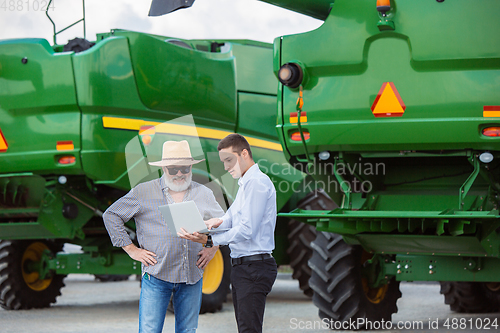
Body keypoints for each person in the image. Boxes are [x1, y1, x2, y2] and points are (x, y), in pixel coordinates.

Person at [103, 140, 225, 333]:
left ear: (191, 167)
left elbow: (223, 223)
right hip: (156, 276)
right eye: (173, 169)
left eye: (184, 169)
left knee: (187, 331)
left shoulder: (204, 193)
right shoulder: (143, 192)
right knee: (150, 331)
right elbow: (111, 215)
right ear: (163, 168)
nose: (179, 174)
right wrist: (131, 249)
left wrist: (213, 248)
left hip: (192, 277)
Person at [179, 133, 278, 333]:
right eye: (223, 161)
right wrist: (208, 224)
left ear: (244, 154)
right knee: (245, 328)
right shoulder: (245, 185)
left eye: (229, 160)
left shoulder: (257, 183)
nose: (225, 167)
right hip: (245, 267)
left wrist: (210, 240)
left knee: (248, 329)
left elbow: (247, 230)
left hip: (254, 267)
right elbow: (230, 218)